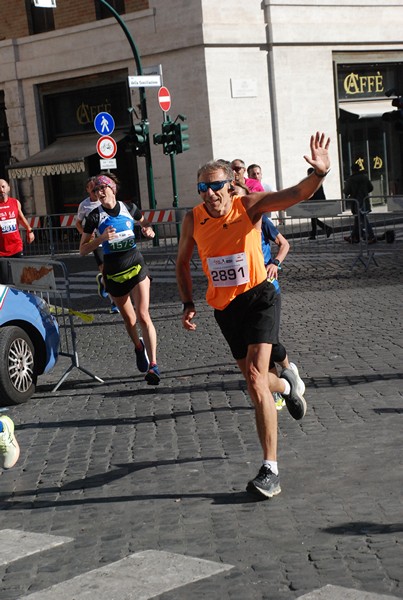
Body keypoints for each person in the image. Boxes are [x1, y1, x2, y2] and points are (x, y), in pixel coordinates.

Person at [176, 131, 330, 499]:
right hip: (225, 308)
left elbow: (295, 195)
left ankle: (270, 470)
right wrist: (187, 302)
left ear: (231, 186)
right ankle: (289, 384)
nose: (209, 194)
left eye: (215, 187)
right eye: (202, 188)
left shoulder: (249, 206)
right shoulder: (193, 219)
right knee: (256, 381)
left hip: (260, 297)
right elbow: (182, 262)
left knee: (257, 380)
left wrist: (319, 174)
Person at [79, 174, 160, 385]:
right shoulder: (94, 217)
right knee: (129, 320)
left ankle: (154, 365)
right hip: (113, 272)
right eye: (97, 190)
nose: (100, 192)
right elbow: (82, 250)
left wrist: (148, 230)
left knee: (143, 315)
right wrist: (102, 238)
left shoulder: (130, 208)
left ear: (113, 189)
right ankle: (138, 347)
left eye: (104, 188)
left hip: (136, 265)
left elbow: (144, 224)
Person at [260, 214, 305, 410]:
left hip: (270, 289)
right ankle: (276, 391)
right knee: (261, 344)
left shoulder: (261, 220)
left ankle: (288, 370)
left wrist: (275, 262)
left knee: (272, 342)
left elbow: (284, 244)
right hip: (246, 295)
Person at [76, 176, 119, 314]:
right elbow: (78, 223)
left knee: (115, 270)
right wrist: (86, 234)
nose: (96, 190)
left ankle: (102, 282)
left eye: (98, 186)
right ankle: (114, 303)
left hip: (112, 238)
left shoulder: (106, 199)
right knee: (106, 271)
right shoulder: (84, 205)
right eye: (92, 187)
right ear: (88, 190)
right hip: (97, 242)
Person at [0, 179, 35, 283]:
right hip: (1, 250)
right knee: (5, 281)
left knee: (22, 278)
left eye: (3, 186)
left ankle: (24, 297)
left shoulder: (15, 202)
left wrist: (29, 230)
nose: (1, 189)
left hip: (16, 246)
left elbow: (20, 217)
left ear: (8, 188)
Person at [343, 163, 375, 244]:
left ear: (352, 170)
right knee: (358, 219)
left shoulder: (350, 179)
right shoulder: (364, 177)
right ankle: (354, 237)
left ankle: (371, 236)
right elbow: (371, 188)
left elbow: (346, 191)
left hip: (356, 202)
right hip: (364, 200)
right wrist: (364, 192)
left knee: (363, 219)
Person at [306, 167, 333, 240]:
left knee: (313, 218)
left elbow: (312, 192)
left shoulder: (314, 181)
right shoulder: (316, 180)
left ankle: (325, 229)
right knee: (313, 218)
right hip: (316, 201)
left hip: (316, 202)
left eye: (308, 173)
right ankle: (314, 234)